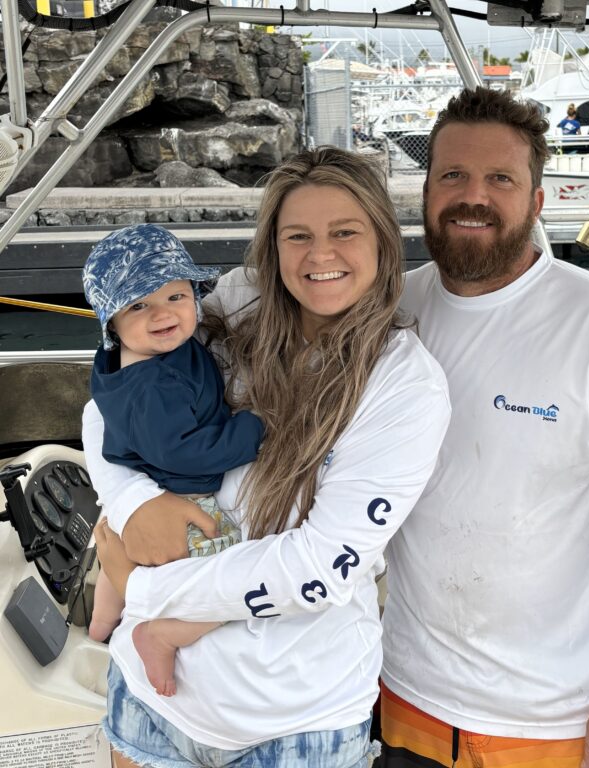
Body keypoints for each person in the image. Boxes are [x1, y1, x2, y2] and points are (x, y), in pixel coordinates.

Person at [83, 147, 451, 768]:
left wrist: (138, 584)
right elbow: (118, 404)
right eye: (297, 235)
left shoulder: (405, 386)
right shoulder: (239, 299)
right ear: (272, 246)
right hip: (152, 706)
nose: (320, 255)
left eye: (344, 232)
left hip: (296, 725)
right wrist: (130, 500)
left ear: (384, 244)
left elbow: (320, 566)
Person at [379, 88, 589, 768]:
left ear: (538, 201)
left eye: (501, 179)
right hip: (400, 697)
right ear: (425, 189)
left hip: (550, 725)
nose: (473, 197)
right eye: (452, 176)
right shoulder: (393, 308)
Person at [82, 224, 265, 698]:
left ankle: (103, 620)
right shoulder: (153, 386)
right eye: (139, 305)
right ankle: (162, 634)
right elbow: (186, 451)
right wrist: (254, 428)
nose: (163, 314)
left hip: (147, 483)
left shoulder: (147, 355)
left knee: (113, 554)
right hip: (183, 493)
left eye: (176, 296)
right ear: (112, 323)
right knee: (233, 578)